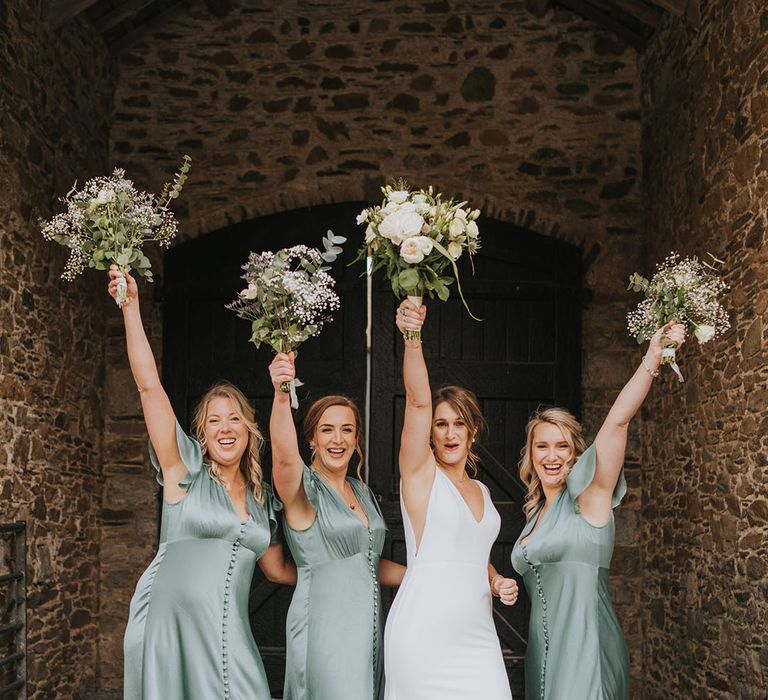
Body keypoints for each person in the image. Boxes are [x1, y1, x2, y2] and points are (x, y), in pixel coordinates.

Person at [109, 266, 296, 700]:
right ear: (203, 433)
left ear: (249, 429)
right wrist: (131, 308)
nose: (225, 428)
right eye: (214, 421)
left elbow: (277, 569)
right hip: (169, 625)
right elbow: (149, 388)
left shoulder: (261, 498)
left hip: (230, 637)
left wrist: (332, 573)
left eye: (234, 419)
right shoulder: (183, 470)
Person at [511, 321, 686, 700]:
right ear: (531, 454)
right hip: (543, 658)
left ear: (576, 454)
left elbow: (618, 422)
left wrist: (652, 358)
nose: (552, 456)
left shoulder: (589, 498)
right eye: (542, 447)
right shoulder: (535, 513)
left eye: (562, 447)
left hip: (587, 652)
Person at [384, 300, 517, 700]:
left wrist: (495, 580)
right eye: (441, 424)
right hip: (422, 635)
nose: (450, 433)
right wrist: (411, 337)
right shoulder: (421, 476)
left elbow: (472, 552)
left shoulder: (484, 492)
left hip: (477, 638)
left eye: (459, 423)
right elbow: (418, 400)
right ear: (430, 432)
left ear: (473, 429)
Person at [268, 352, 406, 700]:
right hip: (324, 628)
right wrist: (282, 393)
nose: (338, 439)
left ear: (357, 438)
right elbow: (284, 458)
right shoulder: (305, 491)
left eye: (347, 430)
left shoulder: (361, 492)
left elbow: (368, 564)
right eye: (327, 430)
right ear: (311, 439)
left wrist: (425, 574)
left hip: (367, 630)